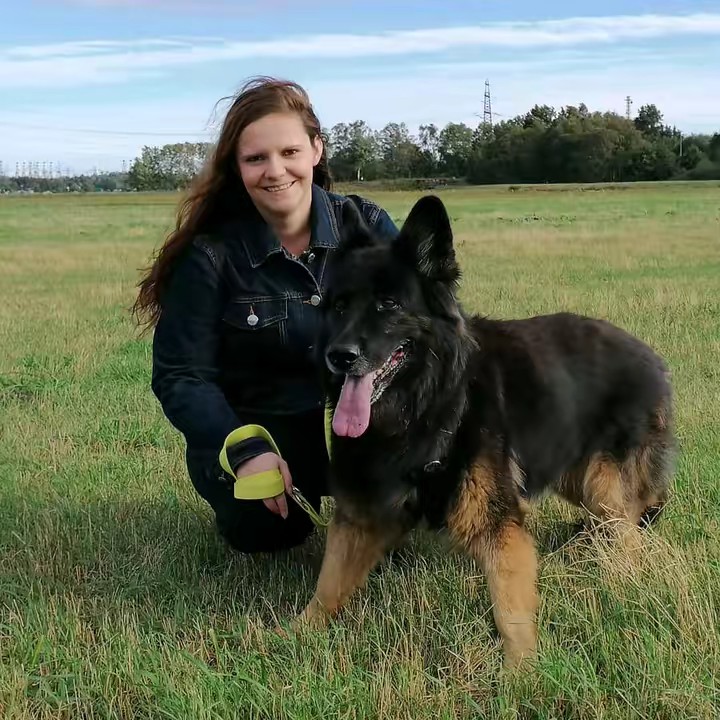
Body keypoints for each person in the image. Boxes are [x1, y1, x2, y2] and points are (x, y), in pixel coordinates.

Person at [132, 76, 399, 554]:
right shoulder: (212, 256)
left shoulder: (369, 226)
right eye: (256, 158)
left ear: (316, 150)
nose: (275, 171)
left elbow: (423, 326)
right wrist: (245, 450)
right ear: (237, 168)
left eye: (290, 152)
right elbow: (182, 375)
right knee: (267, 531)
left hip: (365, 418)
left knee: (390, 536)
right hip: (264, 426)